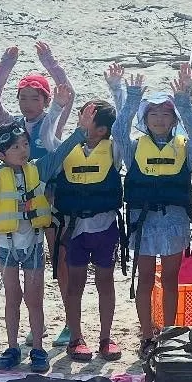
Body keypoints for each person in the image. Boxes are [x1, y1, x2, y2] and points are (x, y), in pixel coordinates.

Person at [0, 41, 76, 347]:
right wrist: (5, 63)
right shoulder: (12, 127)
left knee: (59, 262)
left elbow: (67, 92)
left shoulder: (52, 121)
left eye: (34, 98)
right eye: (23, 98)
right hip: (21, 213)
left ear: (45, 100)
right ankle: (35, 327)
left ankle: (69, 323)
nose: (27, 104)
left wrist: (49, 61)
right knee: (29, 269)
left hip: (51, 202)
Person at [115, 63, 192, 341]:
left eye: (166, 114)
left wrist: (184, 102)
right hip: (143, 223)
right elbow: (119, 132)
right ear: (145, 118)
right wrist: (131, 98)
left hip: (174, 223)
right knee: (145, 279)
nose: (159, 119)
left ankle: (167, 334)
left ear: (173, 119)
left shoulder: (184, 147)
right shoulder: (133, 148)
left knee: (169, 279)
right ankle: (146, 334)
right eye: (153, 113)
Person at [40, 99, 123, 361]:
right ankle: (76, 337)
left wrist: (120, 92)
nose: (81, 120)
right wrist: (56, 106)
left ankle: (106, 338)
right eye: (81, 115)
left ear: (101, 130)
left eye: (88, 118)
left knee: (105, 283)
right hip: (74, 230)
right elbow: (46, 137)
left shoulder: (114, 149)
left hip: (105, 227)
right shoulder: (69, 148)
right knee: (74, 284)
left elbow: (122, 128)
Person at [0, 120, 53, 374]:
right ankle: (12, 347)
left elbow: (61, 152)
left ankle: (38, 347)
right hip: (7, 249)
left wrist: (79, 129)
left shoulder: (39, 170)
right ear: (1, 154)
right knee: (12, 298)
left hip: (34, 245)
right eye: (15, 146)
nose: (23, 150)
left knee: (34, 300)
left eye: (25, 144)